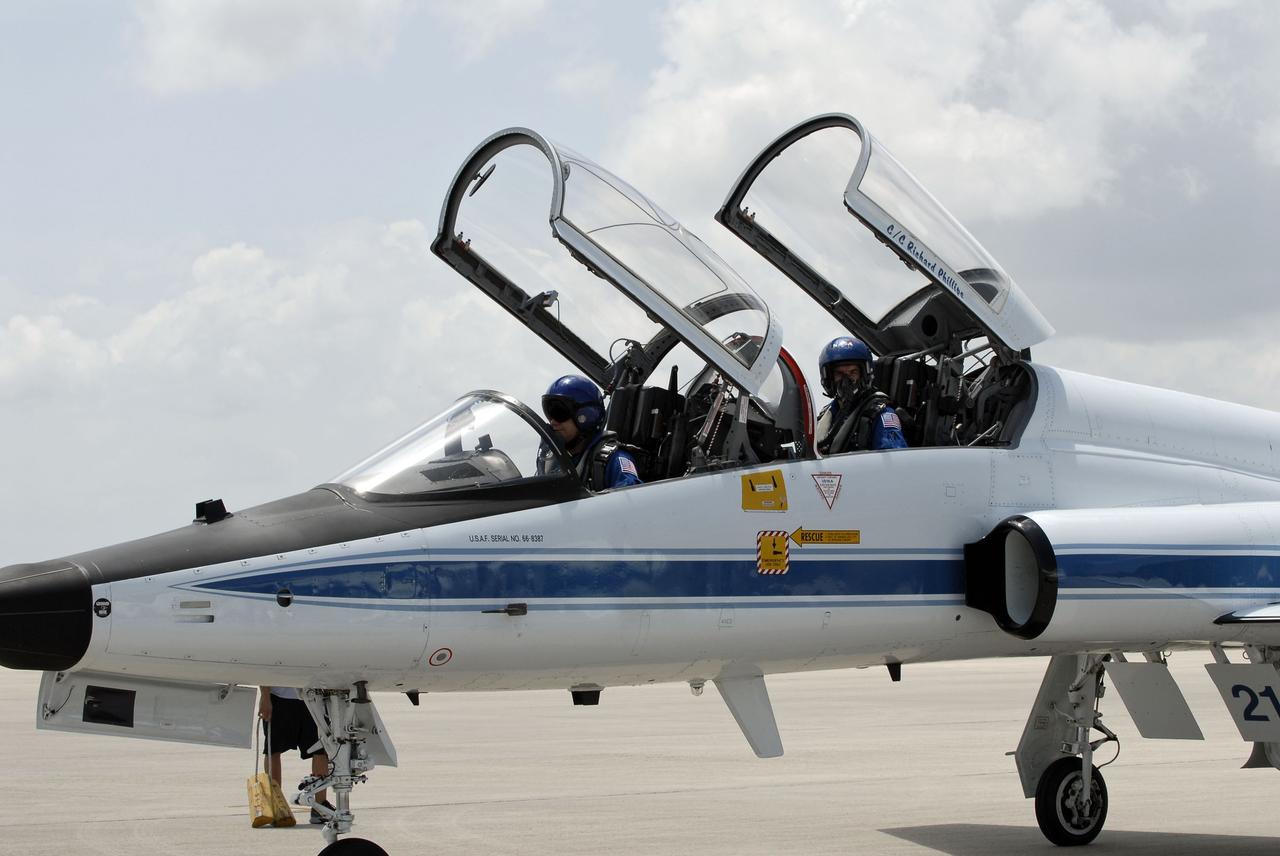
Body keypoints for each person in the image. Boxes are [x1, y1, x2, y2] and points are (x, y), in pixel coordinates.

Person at [540, 375, 642, 490]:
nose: (553, 422)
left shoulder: (613, 460)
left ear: (586, 416)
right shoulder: (551, 463)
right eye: (550, 413)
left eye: (559, 413)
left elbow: (632, 499)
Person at [815, 336, 908, 455]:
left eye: (853, 372)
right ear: (828, 377)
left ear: (864, 374)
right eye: (839, 373)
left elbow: (896, 461)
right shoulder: (827, 415)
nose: (846, 381)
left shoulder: (880, 414)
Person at [258, 686, 334, 825]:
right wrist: (265, 696)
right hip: (279, 699)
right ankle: (276, 805)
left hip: (312, 698)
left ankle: (320, 805)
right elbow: (265, 669)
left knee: (320, 750)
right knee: (273, 750)